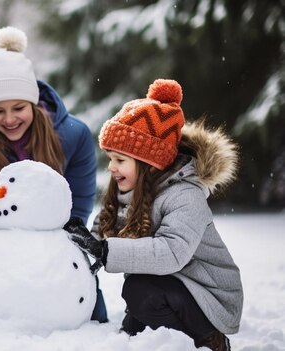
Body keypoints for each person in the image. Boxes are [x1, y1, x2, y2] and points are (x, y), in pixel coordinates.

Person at [68, 79, 243, 350]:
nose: (112, 168)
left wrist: (106, 251)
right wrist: (80, 240)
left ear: (148, 163)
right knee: (135, 325)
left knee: (139, 292)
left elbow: (172, 252)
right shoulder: (128, 189)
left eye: (120, 160)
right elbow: (104, 230)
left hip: (208, 294)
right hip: (172, 285)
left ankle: (209, 337)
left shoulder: (185, 195)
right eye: (110, 158)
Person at [0, 26, 108, 323]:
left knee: (89, 315)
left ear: (34, 103)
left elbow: (77, 206)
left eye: (18, 108)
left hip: (55, 242)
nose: (10, 119)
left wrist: (56, 251)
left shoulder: (73, 136)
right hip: (2, 246)